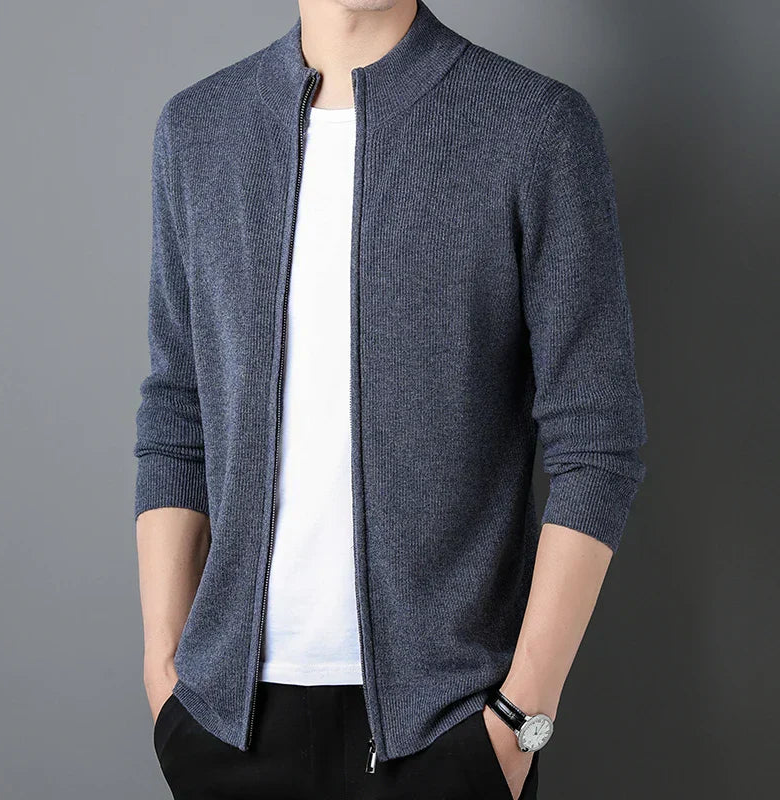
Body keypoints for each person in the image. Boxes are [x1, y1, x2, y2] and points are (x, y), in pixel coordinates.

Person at [134, 1, 648, 798]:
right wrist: (164, 672)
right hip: (226, 726)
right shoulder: (200, 131)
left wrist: (521, 717)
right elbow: (177, 415)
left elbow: (598, 442)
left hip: (450, 729)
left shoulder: (533, 126)